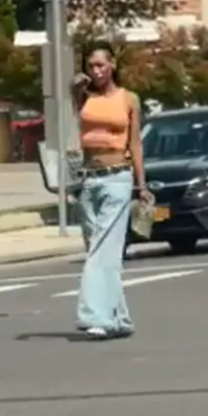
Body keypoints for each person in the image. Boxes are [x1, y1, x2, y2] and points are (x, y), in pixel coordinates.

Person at [72, 42, 147, 340]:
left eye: (101, 65)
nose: (96, 71)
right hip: (89, 179)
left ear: (112, 64)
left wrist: (141, 183)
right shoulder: (83, 97)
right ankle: (119, 318)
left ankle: (94, 316)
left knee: (101, 251)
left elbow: (136, 143)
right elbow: (71, 106)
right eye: (91, 66)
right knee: (102, 253)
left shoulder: (128, 99)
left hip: (118, 177)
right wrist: (73, 88)